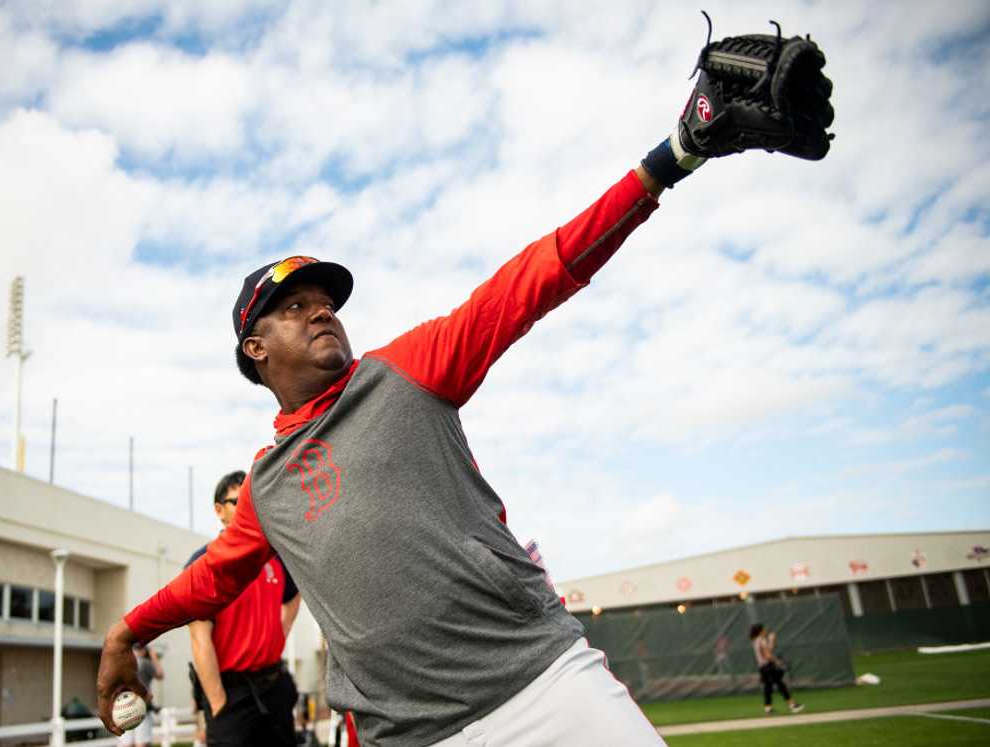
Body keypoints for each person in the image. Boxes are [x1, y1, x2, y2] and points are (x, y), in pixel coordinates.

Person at [97, 30, 833, 745]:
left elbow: (532, 279)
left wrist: (670, 159)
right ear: (255, 349)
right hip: (405, 734)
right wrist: (127, 630)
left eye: (326, 300)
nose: (322, 308)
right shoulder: (266, 484)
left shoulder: (401, 370)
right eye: (295, 306)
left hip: (541, 682)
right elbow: (212, 581)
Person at [188, 470, 303, 747]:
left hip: (274, 688)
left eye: (251, 501)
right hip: (231, 696)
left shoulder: (273, 557)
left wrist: (280, 632)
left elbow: (293, 594)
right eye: (237, 501)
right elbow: (199, 637)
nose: (247, 508)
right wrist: (217, 702)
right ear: (219, 510)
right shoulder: (205, 563)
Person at [749, 623, 804, 715]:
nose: (765, 631)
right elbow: (768, 654)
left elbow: (767, 650)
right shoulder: (761, 640)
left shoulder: (755, 641)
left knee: (768, 687)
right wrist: (778, 662)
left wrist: (771, 641)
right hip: (768, 666)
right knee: (780, 684)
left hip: (762, 667)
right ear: (760, 631)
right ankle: (792, 705)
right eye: (764, 629)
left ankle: (768, 708)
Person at [119, 643, 163, 747]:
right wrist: (154, 656)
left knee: (126, 744)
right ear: (144, 651)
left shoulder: (122, 664)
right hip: (142, 707)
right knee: (141, 744)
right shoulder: (144, 663)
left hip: (124, 708)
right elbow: (160, 675)